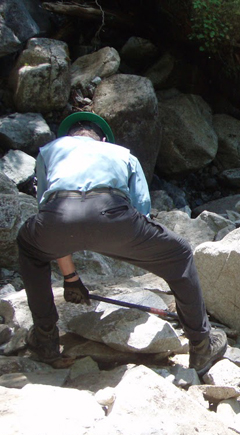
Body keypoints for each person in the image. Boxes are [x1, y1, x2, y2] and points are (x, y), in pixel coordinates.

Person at [17, 112, 227, 376]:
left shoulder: (50, 151)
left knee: (30, 248)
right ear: (103, 139)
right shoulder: (122, 154)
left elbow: (50, 215)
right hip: (113, 216)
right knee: (180, 254)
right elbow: (141, 211)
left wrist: (70, 277)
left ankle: (46, 339)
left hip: (59, 217)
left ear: (68, 138)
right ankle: (201, 344)